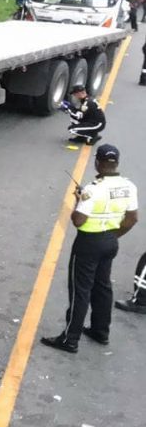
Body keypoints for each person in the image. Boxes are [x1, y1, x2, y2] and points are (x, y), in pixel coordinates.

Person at [41, 144, 139, 353]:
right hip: (111, 242)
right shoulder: (129, 186)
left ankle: (70, 339)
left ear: (97, 163)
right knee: (102, 286)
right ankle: (100, 331)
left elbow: (78, 220)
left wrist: (78, 200)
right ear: (117, 163)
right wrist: (112, 236)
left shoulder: (92, 190)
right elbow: (132, 219)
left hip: (88, 244)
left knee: (80, 290)